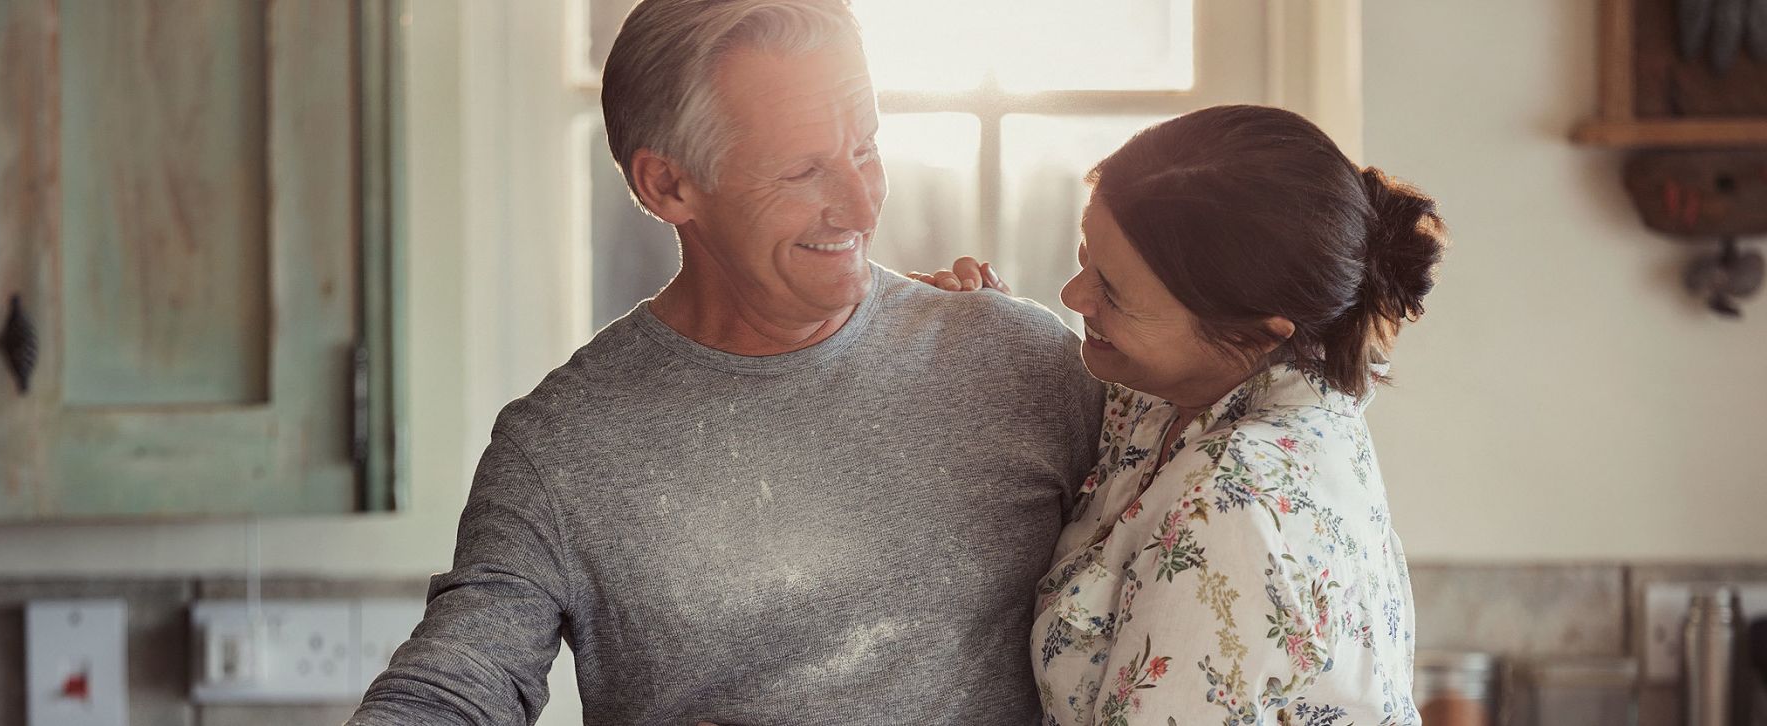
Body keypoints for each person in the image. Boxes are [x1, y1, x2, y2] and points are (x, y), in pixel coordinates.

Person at [346, 1, 1104, 724]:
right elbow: (451, 693)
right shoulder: (560, 449)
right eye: (804, 171)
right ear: (668, 184)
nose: (863, 207)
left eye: (865, 149)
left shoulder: (1020, 363)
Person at [918, 104, 1441, 725]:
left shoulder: (1231, 506)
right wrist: (992, 331)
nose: (1072, 295)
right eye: (1086, 256)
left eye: (1112, 290)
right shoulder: (1186, 401)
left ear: (1249, 332)